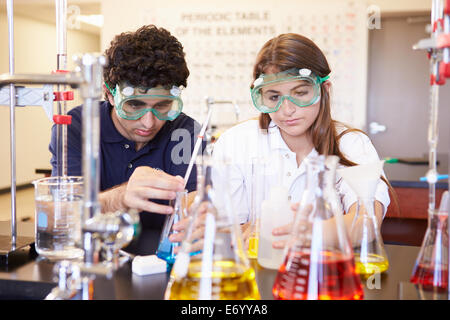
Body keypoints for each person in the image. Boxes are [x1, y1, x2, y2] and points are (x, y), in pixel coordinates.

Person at [211, 33, 394, 249]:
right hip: (255, 275)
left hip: (324, 272)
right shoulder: (236, 142)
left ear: (323, 90)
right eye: (274, 97)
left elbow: (366, 223)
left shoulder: (352, 144)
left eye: (300, 93)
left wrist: (308, 232)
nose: (287, 110)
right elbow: (227, 228)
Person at [49, 25, 201, 254]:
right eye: (134, 106)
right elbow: (61, 214)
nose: (149, 122)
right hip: (95, 256)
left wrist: (198, 212)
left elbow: (194, 202)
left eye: (162, 106)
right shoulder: (77, 127)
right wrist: (121, 196)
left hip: (160, 262)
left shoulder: (184, 131)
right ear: (109, 94)